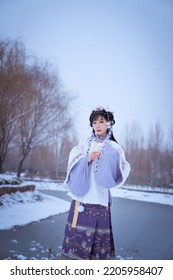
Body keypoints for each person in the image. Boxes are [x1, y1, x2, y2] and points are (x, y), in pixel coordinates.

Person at [61, 106, 130, 260]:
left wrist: (109, 163)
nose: (98, 125)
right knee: (75, 239)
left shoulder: (114, 147)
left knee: (98, 242)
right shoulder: (85, 142)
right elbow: (73, 157)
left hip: (99, 197)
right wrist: (87, 159)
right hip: (82, 196)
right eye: (94, 122)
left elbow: (123, 167)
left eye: (101, 121)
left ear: (109, 123)